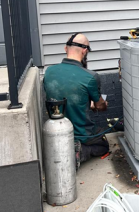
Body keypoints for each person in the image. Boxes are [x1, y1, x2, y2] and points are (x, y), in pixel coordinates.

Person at [44, 33, 109, 170]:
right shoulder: (90, 77)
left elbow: (66, 96)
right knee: (103, 145)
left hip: (56, 130)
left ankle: (68, 148)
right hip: (81, 133)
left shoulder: (49, 72)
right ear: (85, 50)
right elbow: (100, 106)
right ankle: (81, 151)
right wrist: (100, 104)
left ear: (65, 48)